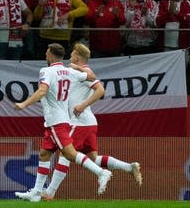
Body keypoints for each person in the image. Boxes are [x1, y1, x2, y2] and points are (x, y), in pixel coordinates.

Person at [41, 43, 142, 200]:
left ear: (76, 57)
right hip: (88, 122)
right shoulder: (78, 71)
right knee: (94, 158)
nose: (70, 57)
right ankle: (129, 167)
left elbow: (101, 90)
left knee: (65, 154)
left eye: (72, 54)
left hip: (79, 121)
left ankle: (50, 193)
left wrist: (82, 105)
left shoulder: (84, 73)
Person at [13, 43, 112, 202]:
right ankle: (37, 193)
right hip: (60, 120)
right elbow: (93, 77)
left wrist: (24, 104)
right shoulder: (69, 71)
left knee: (70, 154)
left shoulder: (46, 71)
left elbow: (42, 91)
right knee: (44, 154)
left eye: (46, 52)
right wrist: (79, 68)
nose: (45, 55)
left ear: (51, 55)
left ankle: (101, 172)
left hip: (56, 121)